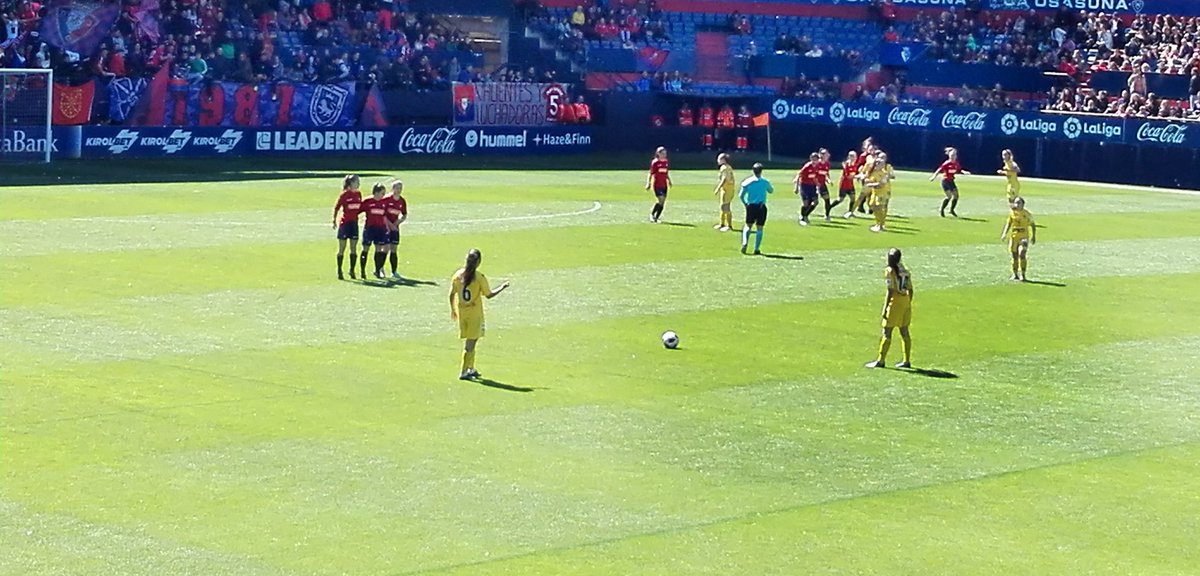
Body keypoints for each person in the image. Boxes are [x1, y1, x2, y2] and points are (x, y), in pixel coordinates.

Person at [449, 249, 510, 380]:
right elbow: (489, 295)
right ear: (478, 262)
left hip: (463, 313)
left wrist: (453, 310)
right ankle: (464, 371)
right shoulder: (479, 277)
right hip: (474, 315)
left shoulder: (458, 275)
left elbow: (451, 294)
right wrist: (502, 287)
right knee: (470, 343)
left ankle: (470, 368)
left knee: (472, 341)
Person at [866, 247, 913, 369]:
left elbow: (890, 291)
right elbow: (911, 289)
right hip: (905, 300)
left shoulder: (890, 271)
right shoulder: (905, 270)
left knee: (887, 332)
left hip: (895, 302)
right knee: (904, 331)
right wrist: (908, 303)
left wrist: (885, 307)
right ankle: (906, 360)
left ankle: (881, 360)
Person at [332, 174, 363, 280]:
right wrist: (334, 220)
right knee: (342, 248)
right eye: (357, 182)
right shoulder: (344, 195)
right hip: (345, 224)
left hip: (354, 224)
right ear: (351, 183)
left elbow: (359, 208)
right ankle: (339, 270)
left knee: (353, 248)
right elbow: (337, 207)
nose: (359, 183)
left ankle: (352, 270)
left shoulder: (359, 194)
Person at [739, 162, 774, 255]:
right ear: (761, 171)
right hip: (761, 206)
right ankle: (757, 248)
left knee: (748, 225)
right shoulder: (765, 182)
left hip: (751, 206)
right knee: (760, 228)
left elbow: (741, 195)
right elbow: (771, 191)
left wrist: (745, 203)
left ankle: (745, 242)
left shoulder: (748, 182)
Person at [1000, 197, 1037, 281]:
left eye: (1018, 203)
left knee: (1022, 254)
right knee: (1014, 256)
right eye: (1015, 203)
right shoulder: (1012, 213)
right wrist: (1004, 234)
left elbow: (1033, 225)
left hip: (1024, 237)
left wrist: (1033, 236)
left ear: (1023, 204)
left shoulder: (1026, 214)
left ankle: (1023, 275)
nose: (1016, 204)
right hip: (1014, 237)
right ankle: (1015, 274)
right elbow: (1008, 224)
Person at [358, 183, 390, 279]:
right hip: (369, 229)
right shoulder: (368, 201)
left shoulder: (384, 203)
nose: (383, 195)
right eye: (382, 193)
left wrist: (387, 227)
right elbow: (358, 210)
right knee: (365, 249)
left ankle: (377, 270)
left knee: (378, 249)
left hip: (380, 229)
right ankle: (362, 271)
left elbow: (384, 216)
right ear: (376, 192)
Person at [931, 146, 970, 217]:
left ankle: (951, 210)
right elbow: (939, 169)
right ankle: (942, 209)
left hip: (951, 181)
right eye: (952, 155)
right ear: (949, 156)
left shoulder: (956, 163)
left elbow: (959, 169)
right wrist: (934, 176)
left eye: (954, 155)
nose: (953, 157)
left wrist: (964, 172)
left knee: (956, 196)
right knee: (949, 196)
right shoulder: (947, 163)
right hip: (945, 181)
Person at [863, 152, 895, 232]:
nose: (877, 165)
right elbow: (871, 179)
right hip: (875, 192)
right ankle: (878, 223)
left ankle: (881, 225)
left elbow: (881, 184)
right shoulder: (874, 172)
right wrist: (867, 180)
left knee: (879, 207)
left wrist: (870, 184)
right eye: (876, 163)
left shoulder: (884, 173)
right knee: (872, 205)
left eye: (879, 164)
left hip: (882, 192)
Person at [383, 180, 408, 279]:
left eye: (400, 188)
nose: (398, 190)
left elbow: (404, 214)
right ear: (392, 188)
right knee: (386, 248)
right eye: (397, 188)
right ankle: (380, 268)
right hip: (386, 227)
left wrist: (398, 222)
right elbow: (383, 214)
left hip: (395, 228)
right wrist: (390, 224)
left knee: (394, 249)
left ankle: (394, 271)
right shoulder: (387, 199)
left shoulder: (402, 201)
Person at [794, 152, 821, 226]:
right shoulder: (807, 166)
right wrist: (796, 187)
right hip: (804, 186)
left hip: (812, 186)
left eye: (816, 159)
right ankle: (803, 217)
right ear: (811, 159)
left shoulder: (817, 166)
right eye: (813, 159)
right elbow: (799, 174)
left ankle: (805, 215)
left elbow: (814, 176)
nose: (815, 161)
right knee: (805, 203)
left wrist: (817, 183)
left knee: (815, 202)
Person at [645, 146, 671, 223]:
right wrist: (648, 183)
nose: (664, 155)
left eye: (665, 153)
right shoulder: (655, 162)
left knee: (663, 202)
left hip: (664, 185)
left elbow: (666, 173)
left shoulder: (666, 162)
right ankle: (652, 214)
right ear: (658, 154)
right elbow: (651, 173)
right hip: (657, 185)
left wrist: (669, 180)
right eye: (662, 153)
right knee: (661, 200)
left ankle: (657, 217)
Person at [714, 153, 736, 231]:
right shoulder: (727, 167)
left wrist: (717, 188)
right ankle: (722, 224)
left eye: (719, 159)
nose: (718, 160)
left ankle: (729, 226)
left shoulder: (724, 168)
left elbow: (724, 179)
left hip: (728, 189)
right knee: (722, 206)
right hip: (726, 189)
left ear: (723, 160)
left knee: (725, 206)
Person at [835, 150, 859, 219]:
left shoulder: (855, 164)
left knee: (853, 198)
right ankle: (829, 208)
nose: (854, 158)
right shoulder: (846, 165)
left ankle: (850, 212)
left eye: (855, 156)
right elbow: (848, 176)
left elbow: (854, 174)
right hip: (844, 185)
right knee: (840, 200)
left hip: (850, 185)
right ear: (849, 157)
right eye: (852, 156)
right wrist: (858, 176)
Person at [816, 148, 834, 221]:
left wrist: (828, 180)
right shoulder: (817, 163)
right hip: (815, 185)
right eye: (826, 154)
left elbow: (826, 173)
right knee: (812, 201)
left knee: (827, 199)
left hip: (823, 184)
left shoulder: (827, 164)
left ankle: (827, 215)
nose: (828, 155)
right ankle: (804, 214)